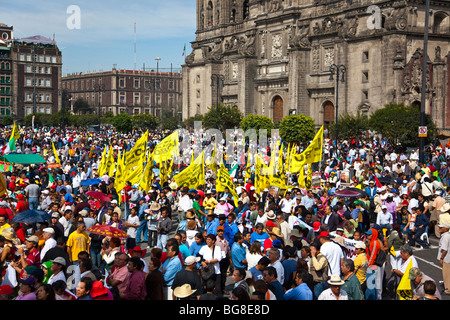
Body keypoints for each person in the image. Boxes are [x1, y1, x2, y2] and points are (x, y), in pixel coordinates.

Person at [437, 222, 450, 295]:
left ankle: (448, 290)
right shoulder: (448, 235)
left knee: (446, 275)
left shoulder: (445, 237)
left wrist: (441, 258)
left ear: (445, 229)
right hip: (449, 257)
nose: (440, 228)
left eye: (441, 227)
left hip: (446, 259)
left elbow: (444, 249)